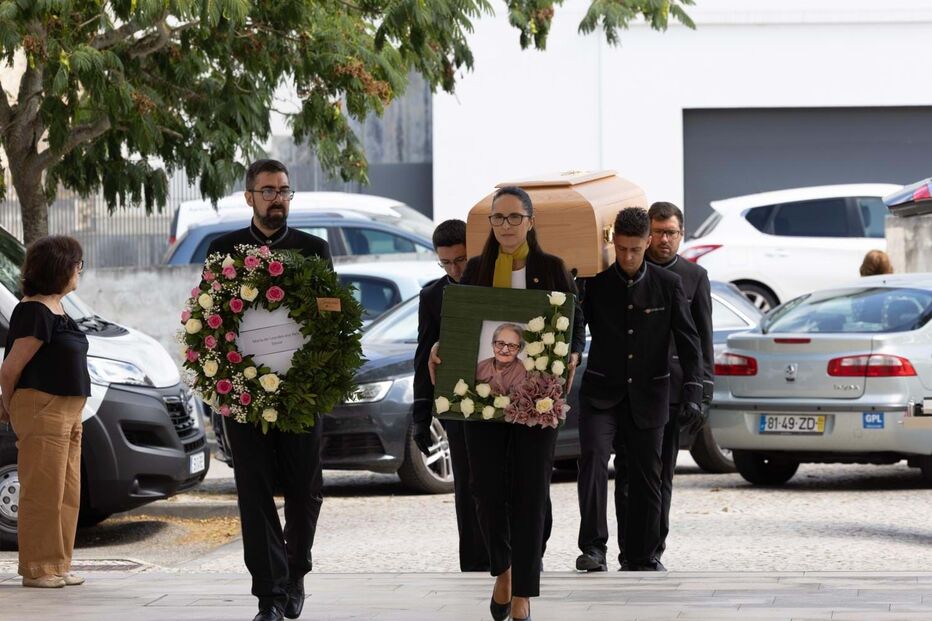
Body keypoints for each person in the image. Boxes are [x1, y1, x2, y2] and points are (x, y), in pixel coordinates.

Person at [430, 186, 586, 621]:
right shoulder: (476, 269)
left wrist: (573, 353)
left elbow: (577, 328)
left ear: (531, 222)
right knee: (485, 490)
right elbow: (460, 323)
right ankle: (503, 568)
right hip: (481, 403)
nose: (506, 226)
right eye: (498, 218)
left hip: (536, 404)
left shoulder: (553, 269)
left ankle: (523, 592)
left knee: (531, 492)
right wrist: (442, 346)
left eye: (514, 217)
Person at [206, 159, 332, 621]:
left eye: (284, 190)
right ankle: (270, 596)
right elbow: (210, 322)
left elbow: (330, 316)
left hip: (301, 392)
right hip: (243, 393)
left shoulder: (314, 248)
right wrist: (217, 380)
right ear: (249, 197)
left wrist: (325, 377)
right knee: (253, 491)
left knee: (305, 488)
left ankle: (295, 571)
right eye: (268, 191)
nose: (277, 198)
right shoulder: (224, 248)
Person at [575, 207, 704, 572]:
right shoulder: (595, 284)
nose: (628, 256)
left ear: (647, 243)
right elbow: (573, 328)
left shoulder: (669, 284)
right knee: (594, 461)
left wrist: (695, 392)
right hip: (601, 393)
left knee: (649, 474)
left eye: (635, 249)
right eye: (622, 249)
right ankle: (593, 548)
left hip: (651, 395)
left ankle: (641, 554)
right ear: (613, 244)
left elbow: (689, 342)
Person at [0, 236, 89, 588]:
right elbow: (9, 369)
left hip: (69, 409)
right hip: (43, 407)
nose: (79, 270)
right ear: (59, 268)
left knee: (67, 492)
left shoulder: (58, 308)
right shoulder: (34, 310)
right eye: (75, 264)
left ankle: (58, 564)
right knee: (43, 491)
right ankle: (37, 568)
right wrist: (9, 405)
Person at [412, 219, 489, 572]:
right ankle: (474, 562)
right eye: (446, 263)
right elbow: (423, 354)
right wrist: (420, 415)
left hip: (501, 397)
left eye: (461, 260)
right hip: (456, 403)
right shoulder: (432, 296)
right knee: (468, 484)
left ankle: (521, 555)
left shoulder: (495, 283)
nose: (455, 269)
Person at [643, 202, 714, 561]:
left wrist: (703, 390)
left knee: (663, 473)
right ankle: (632, 547)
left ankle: (655, 547)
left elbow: (703, 337)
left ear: (681, 234)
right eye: (657, 232)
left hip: (674, 388)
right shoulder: (633, 269)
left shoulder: (694, 277)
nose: (663, 240)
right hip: (636, 385)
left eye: (670, 233)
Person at [475, 323, 527, 394]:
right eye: (500, 343)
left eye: (512, 346)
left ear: (519, 349)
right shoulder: (481, 366)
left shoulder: (523, 373)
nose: (504, 350)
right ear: (493, 344)